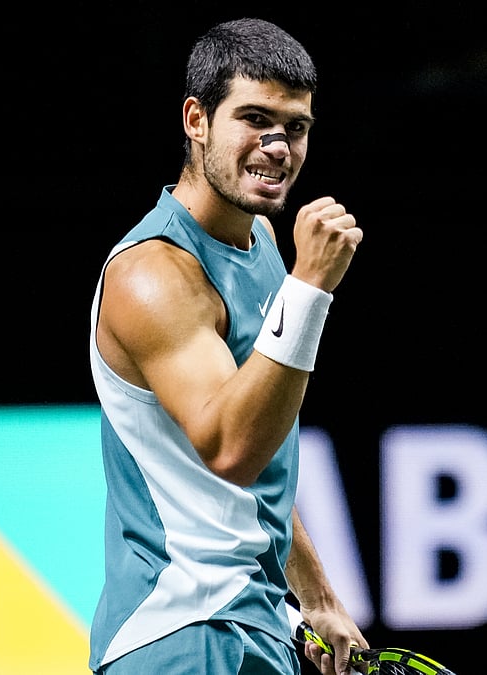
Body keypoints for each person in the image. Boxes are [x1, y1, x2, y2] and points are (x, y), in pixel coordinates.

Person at [86, 17, 366, 675]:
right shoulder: (153, 275)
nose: (277, 146)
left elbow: (263, 451)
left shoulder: (261, 243)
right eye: (254, 119)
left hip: (250, 626)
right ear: (196, 120)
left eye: (295, 127)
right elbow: (232, 447)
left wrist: (317, 594)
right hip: (186, 634)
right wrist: (309, 290)